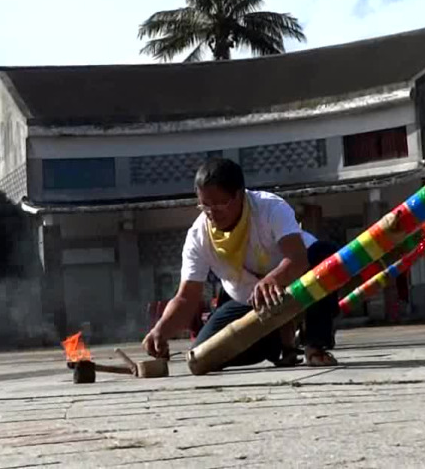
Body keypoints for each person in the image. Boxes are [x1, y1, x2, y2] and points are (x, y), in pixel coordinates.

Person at [142, 158, 340, 369]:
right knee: (205, 353)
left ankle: (315, 345)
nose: (212, 214)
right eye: (205, 206)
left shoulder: (270, 207)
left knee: (325, 256)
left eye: (219, 205)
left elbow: (297, 259)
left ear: (239, 195)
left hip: (296, 282)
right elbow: (186, 297)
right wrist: (161, 330)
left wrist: (273, 279)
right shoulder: (198, 235)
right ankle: (280, 340)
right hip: (247, 300)